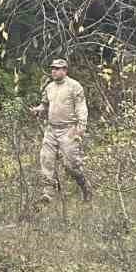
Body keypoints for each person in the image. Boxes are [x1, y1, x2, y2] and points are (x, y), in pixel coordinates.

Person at [30, 58, 91, 203]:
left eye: (57, 69)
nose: (54, 71)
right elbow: (44, 105)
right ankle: (48, 195)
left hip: (68, 130)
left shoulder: (74, 86)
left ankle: (85, 187)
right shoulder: (49, 87)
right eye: (53, 68)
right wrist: (37, 110)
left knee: (71, 166)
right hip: (51, 130)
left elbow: (82, 108)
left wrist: (80, 129)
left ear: (65, 70)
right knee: (46, 161)